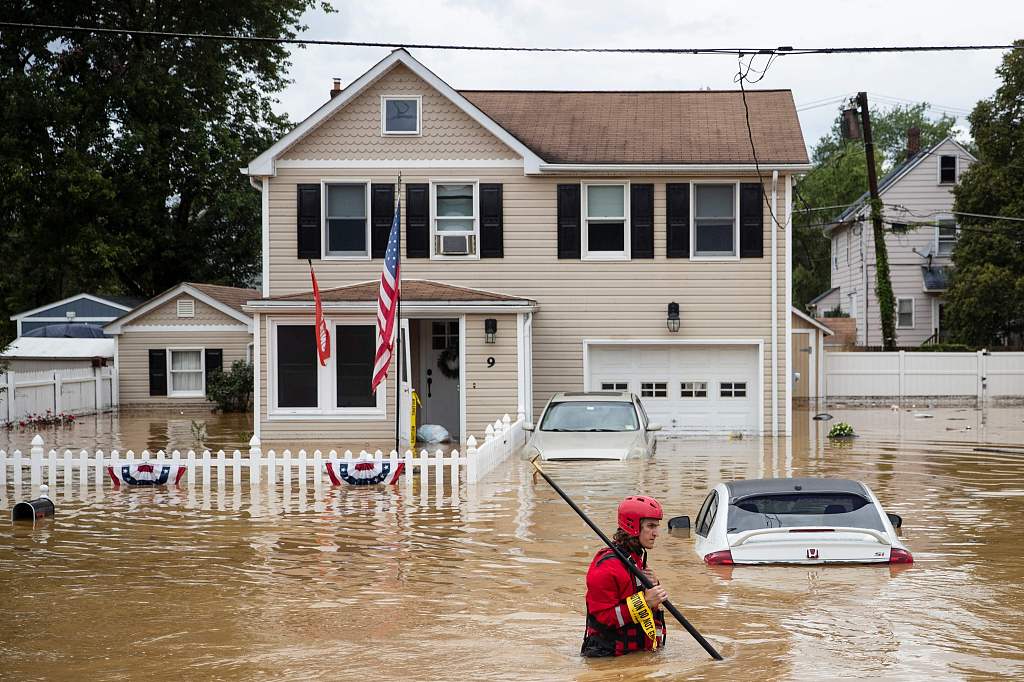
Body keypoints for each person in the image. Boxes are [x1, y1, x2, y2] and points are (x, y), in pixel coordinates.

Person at [581, 495, 668, 657]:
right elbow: (603, 619)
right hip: (607, 657)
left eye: (657, 526)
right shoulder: (606, 568)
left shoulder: (636, 559)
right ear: (633, 526)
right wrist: (645, 602)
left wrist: (654, 586)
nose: (656, 533)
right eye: (651, 526)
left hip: (636, 654)